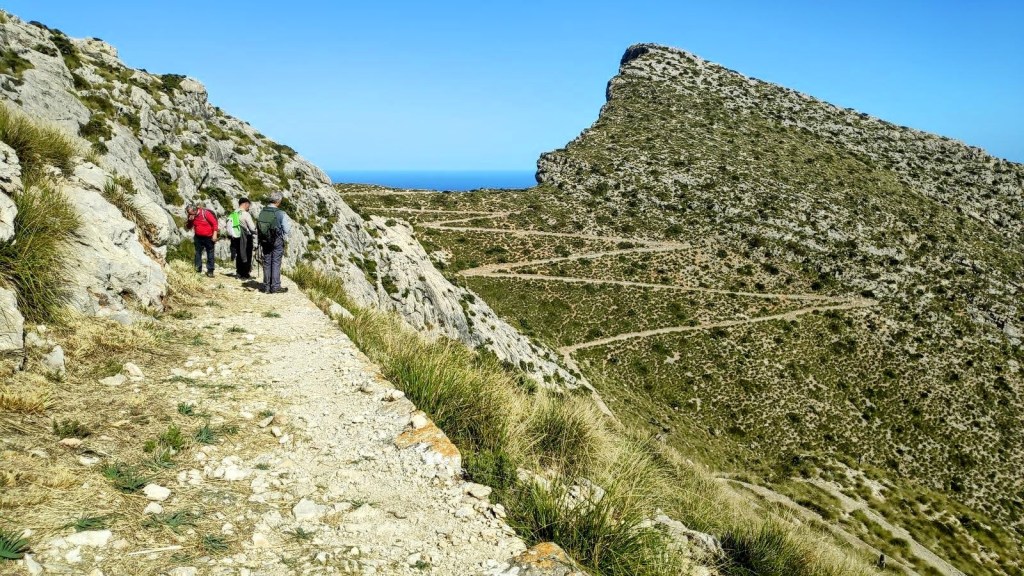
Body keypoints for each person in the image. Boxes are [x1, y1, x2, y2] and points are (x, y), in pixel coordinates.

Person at [256, 191, 291, 294]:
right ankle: (275, 286)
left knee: (267, 262)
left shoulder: (262, 211)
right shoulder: (280, 213)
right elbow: (287, 230)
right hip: (276, 240)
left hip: (264, 240)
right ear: (278, 201)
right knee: (276, 262)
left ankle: (266, 286)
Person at [228, 197, 258, 280]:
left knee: (239, 254)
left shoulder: (233, 213)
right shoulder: (245, 214)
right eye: (249, 205)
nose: (249, 207)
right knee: (247, 254)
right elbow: (252, 228)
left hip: (236, 236)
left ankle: (239, 272)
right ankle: (245, 274)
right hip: (246, 237)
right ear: (246, 204)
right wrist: (257, 232)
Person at [187, 201, 218, 277]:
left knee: (210, 253)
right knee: (198, 252)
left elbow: (214, 224)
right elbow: (188, 227)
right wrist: (190, 220)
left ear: (195, 210)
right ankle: (198, 270)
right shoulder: (191, 215)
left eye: (190, 213)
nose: (189, 214)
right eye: (188, 213)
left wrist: (215, 235)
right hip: (198, 237)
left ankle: (210, 271)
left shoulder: (205, 213)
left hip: (208, 237)